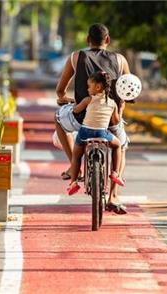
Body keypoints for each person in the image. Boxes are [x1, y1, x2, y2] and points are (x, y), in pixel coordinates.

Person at [54, 23, 130, 214]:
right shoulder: (120, 60)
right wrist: (119, 109)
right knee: (121, 145)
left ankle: (74, 167)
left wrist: (63, 98)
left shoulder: (76, 57)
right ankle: (113, 195)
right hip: (110, 121)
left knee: (58, 120)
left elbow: (60, 89)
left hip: (81, 119)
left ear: (88, 40)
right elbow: (128, 90)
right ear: (108, 40)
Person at [67, 72, 124, 197]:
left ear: (98, 87)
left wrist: (73, 106)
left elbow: (76, 110)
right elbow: (115, 121)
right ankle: (115, 173)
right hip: (102, 133)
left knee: (76, 156)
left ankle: (73, 183)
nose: (87, 89)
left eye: (89, 86)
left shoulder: (89, 100)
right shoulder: (112, 103)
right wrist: (121, 109)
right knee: (117, 145)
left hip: (85, 132)